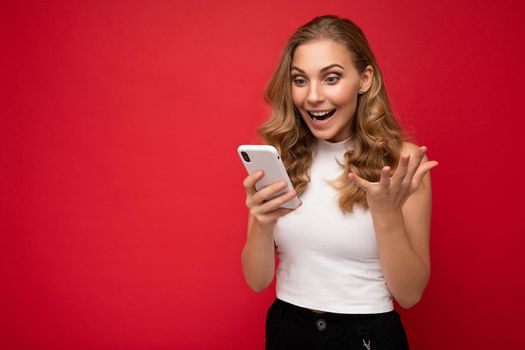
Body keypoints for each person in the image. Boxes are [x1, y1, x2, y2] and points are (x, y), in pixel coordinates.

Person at [241, 15, 438, 350]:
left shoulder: (402, 163)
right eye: (300, 80)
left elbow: (410, 293)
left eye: (331, 78)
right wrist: (261, 224)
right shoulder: (282, 159)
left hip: (367, 336)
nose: (313, 96)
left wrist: (386, 214)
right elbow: (257, 281)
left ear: (364, 79)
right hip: (287, 329)